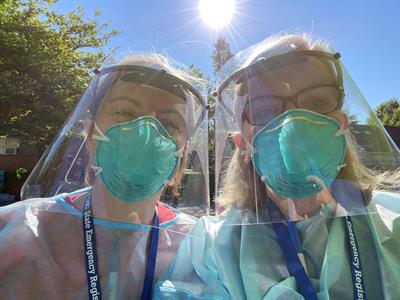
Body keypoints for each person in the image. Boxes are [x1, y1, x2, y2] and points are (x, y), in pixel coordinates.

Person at [154, 33, 400, 299]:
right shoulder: (214, 247)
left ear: (342, 124)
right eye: (265, 111)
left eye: (317, 103)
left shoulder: (393, 223)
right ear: (243, 144)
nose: (292, 124)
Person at [0, 53, 209, 299]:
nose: (145, 133)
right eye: (125, 112)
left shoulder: (200, 246)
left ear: (182, 153)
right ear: (90, 134)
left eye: (170, 123)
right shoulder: (17, 228)